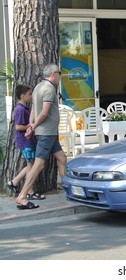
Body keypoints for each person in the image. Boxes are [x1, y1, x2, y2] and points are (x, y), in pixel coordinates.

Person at [15, 63, 67, 210]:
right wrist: (34, 126)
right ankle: (22, 196)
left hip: (48, 132)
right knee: (39, 164)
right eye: (59, 73)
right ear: (52, 74)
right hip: (46, 133)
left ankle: (70, 190)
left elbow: (34, 110)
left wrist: (32, 125)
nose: (60, 76)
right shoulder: (49, 89)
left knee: (62, 159)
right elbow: (43, 113)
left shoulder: (38, 87)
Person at [6, 84, 46, 200]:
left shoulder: (24, 108)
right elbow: (18, 127)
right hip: (25, 141)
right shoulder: (20, 109)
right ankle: (29, 191)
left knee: (31, 165)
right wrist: (31, 126)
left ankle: (14, 182)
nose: (31, 96)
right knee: (31, 166)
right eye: (29, 94)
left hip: (28, 141)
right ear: (22, 96)